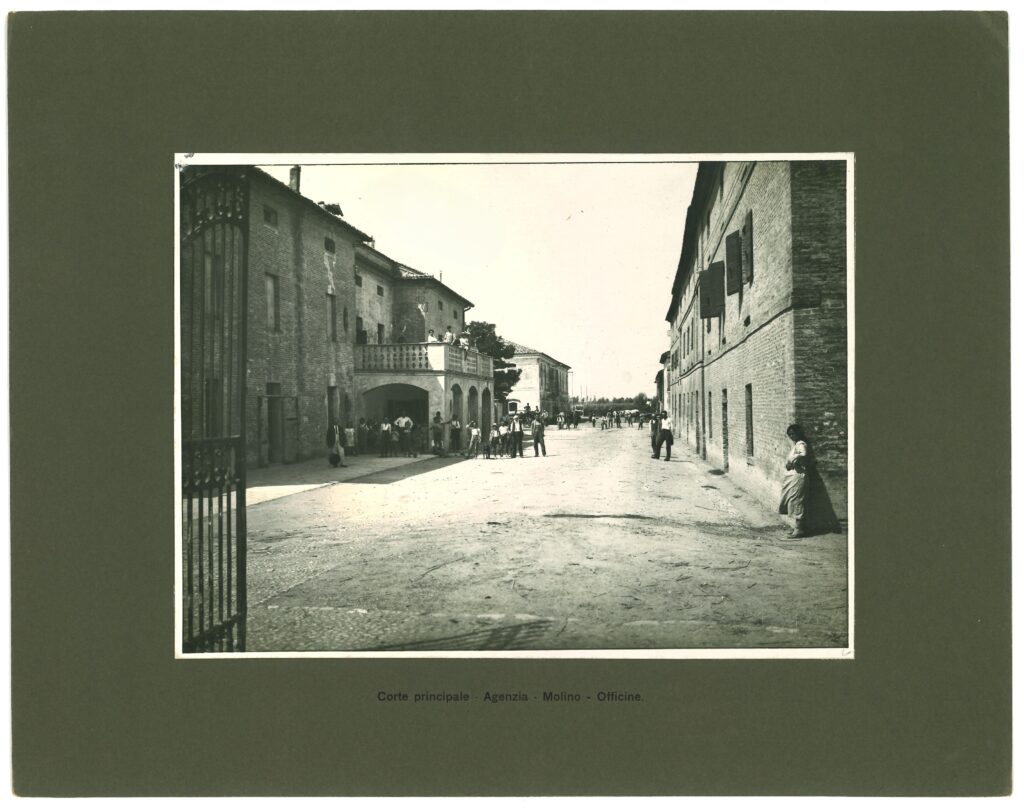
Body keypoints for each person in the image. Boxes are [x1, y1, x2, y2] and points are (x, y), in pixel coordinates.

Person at [778, 424, 841, 538]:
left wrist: (793, 460)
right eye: (790, 434)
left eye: (794, 433)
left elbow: (804, 454)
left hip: (799, 476)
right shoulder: (796, 445)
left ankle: (799, 530)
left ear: (799, 433)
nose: (792, 436)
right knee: (793, 500)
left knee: (797, 501)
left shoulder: (801, 444)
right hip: (794, 476)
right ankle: (797, 528)